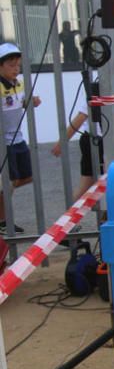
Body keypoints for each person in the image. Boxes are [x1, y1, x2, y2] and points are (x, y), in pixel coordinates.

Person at [52, 51, 114, 201]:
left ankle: (103, 216)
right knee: (90, 184)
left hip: (107, 140)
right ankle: (70, 218)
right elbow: (81, 117)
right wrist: (62, 142)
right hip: (94, 141)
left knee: (107, 182)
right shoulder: (97, 88)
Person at [0, 43, 41, 234]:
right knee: (8, 181)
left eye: (18, 65)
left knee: (27, 176)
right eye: (11, 65)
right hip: (4, 142)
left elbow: (20, 103)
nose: (16, 69)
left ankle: (3, 199)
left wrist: (30, 102)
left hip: (18, 139)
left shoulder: (19, 84)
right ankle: (3, 220)